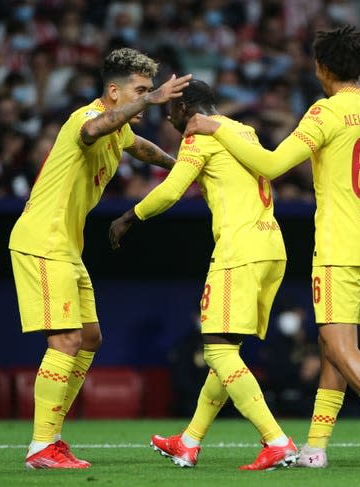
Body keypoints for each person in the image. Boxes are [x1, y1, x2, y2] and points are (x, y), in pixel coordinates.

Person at [184, 25, 360, 471]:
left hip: (339, 244)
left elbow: (271, 164)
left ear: (322, 67)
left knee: (340, 346)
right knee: (333, 344)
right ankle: (316, 448)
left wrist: (215, 125)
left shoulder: (325, 113)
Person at [8, 47, 191, 469]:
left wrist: (182, 166)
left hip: (66, 247)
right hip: (42, 241)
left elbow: (139, 146)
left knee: (89, 338)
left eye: (149, 89)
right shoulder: (85, 118)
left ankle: (51, 437)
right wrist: (151, 100)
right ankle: (41, 447)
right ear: (113, 92)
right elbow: (97, 129)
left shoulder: (120, 129)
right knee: (66, 341)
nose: (148, 97)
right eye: (140, 89)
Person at [108, 79, 297, 471]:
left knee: (216, 350)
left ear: (185, 109)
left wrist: (130, 216)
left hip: (238, 250)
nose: (170, 121)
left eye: (170, 113)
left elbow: (172, 190)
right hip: (271, 248)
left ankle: (276, 440)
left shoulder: (199, 138)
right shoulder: (242, 130)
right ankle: (189, 441)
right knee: (225, 354)